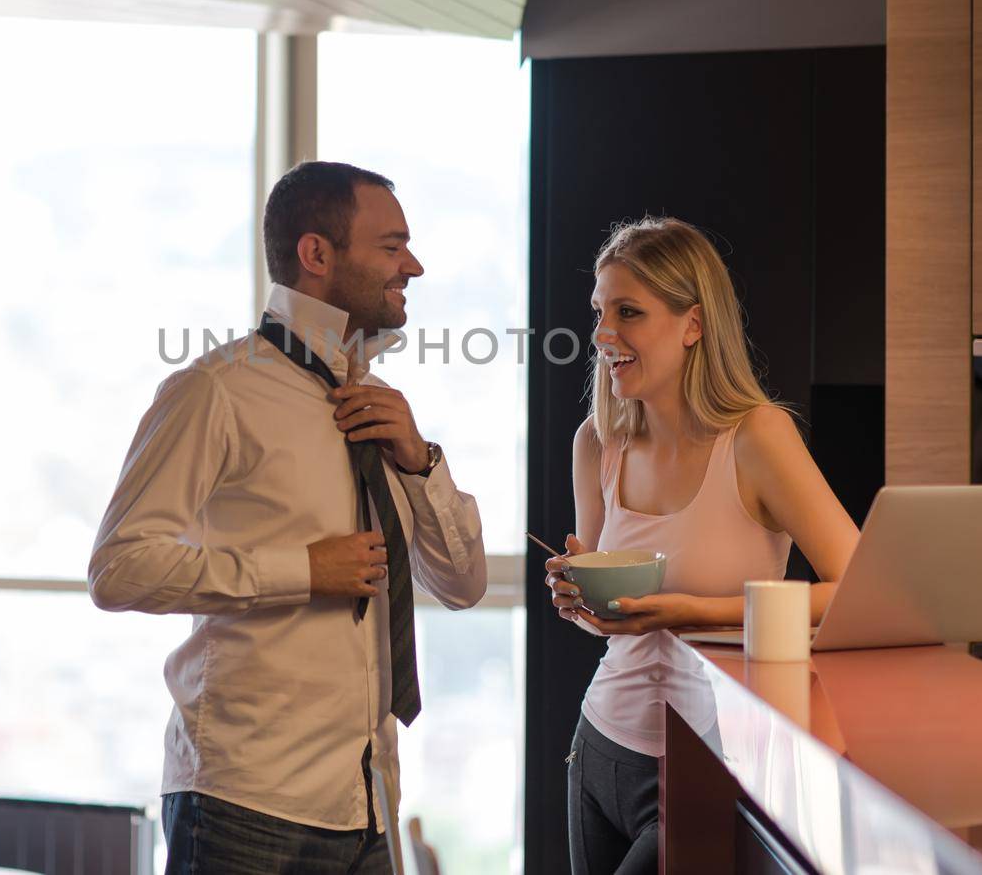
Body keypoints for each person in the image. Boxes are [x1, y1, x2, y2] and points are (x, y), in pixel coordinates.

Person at [89, 161, 487, 875]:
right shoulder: (214, 392)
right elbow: (118, 568)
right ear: (317, 255)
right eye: (392, 246)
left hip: (369, 800)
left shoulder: (382, 408)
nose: (414, 265)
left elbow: (463, 584)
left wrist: (421, 459)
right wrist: (301, 571)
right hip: (246, 800)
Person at [543, 216, 859, 875]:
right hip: (599, 746)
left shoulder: (757, 438)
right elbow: (608, 622)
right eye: (599, 312)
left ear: (692, 324)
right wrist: (577, 597)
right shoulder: (596, 443)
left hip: (713, 759)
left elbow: (861, 593)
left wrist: (695, 612)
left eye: (628, 312)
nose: (603, 335)